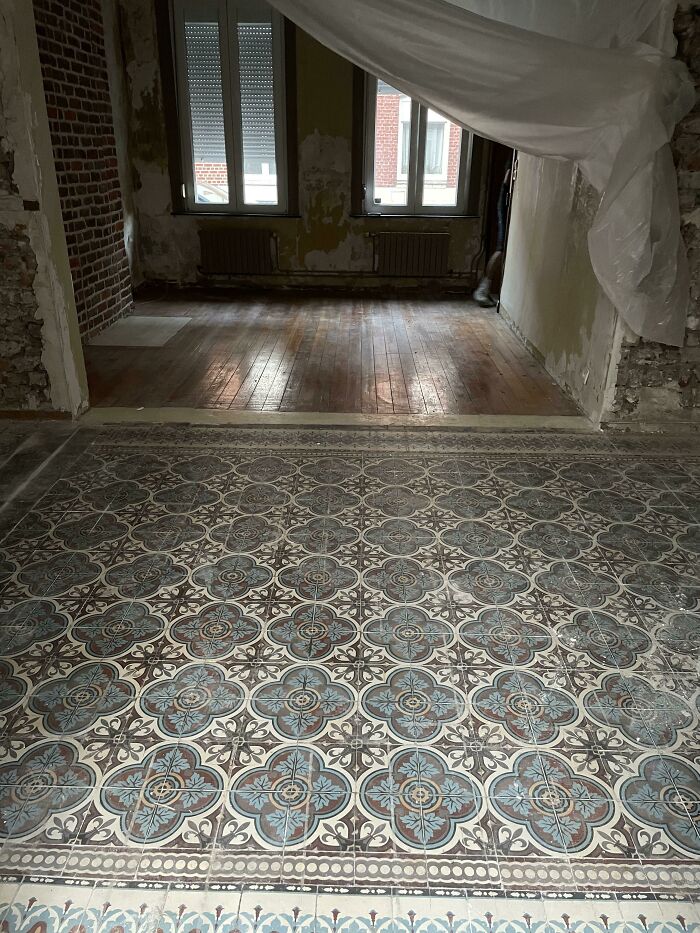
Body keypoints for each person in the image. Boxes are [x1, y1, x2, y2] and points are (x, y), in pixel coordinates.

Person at [474, 155, 513, 307]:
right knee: (501, 248)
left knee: (503, 250)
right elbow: (508, 178)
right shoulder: (513, 163)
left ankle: (486, 290)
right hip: (505, 203)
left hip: (505, 201)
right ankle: (482, 290)